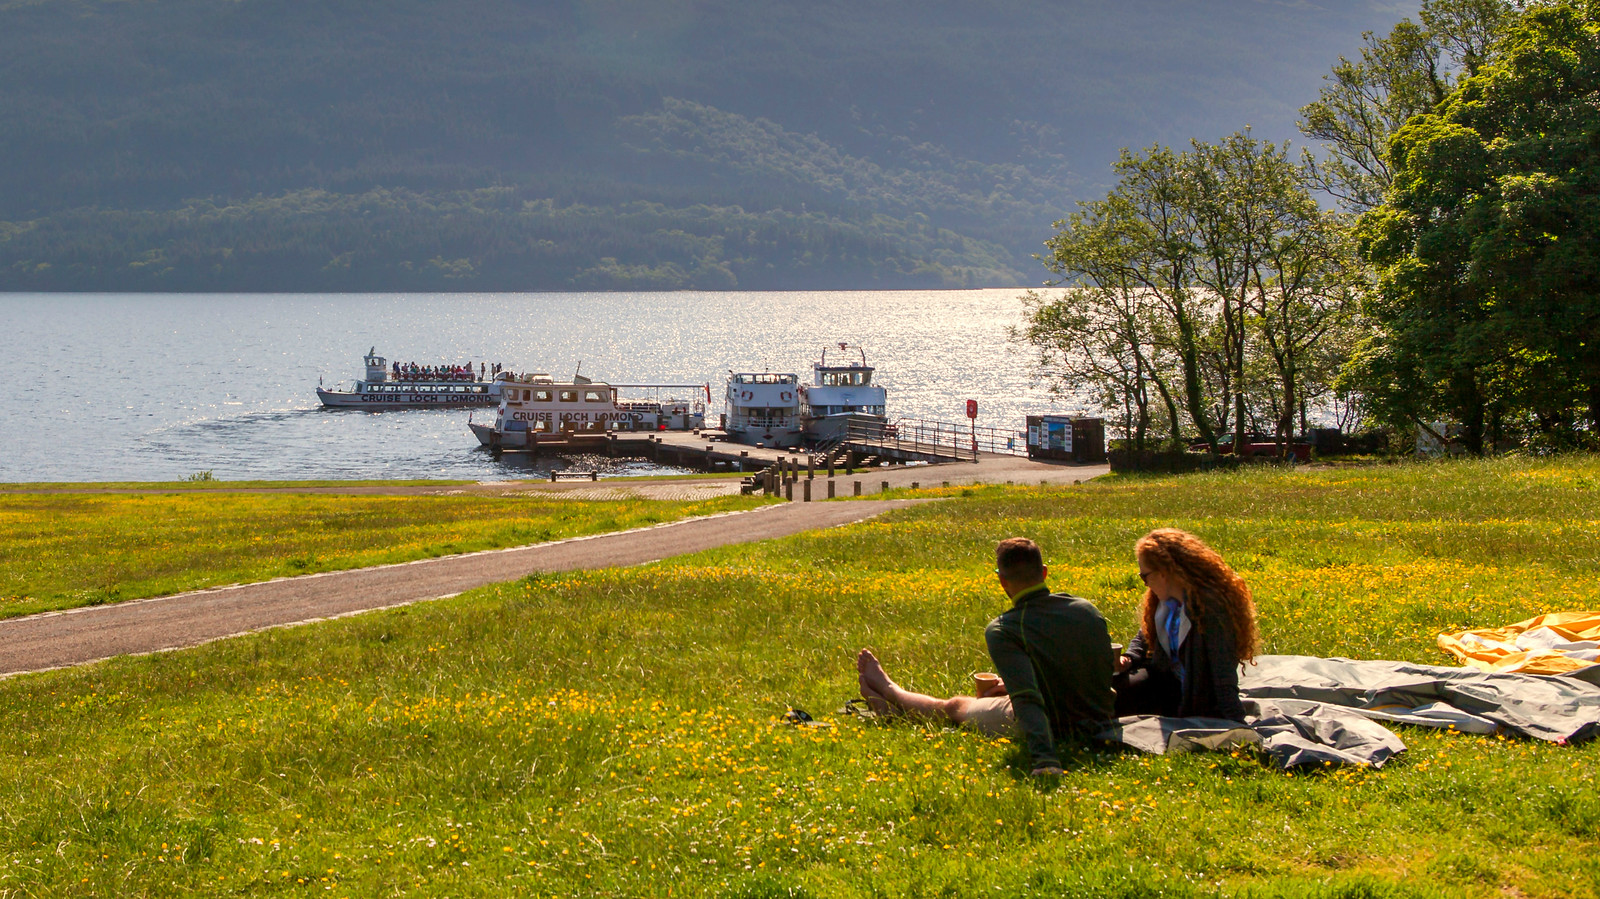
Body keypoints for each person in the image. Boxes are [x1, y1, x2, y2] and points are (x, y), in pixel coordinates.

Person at [856, 537, 1117, 776]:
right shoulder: (1086, 609)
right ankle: (892, 710)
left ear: (1002, 580)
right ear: (1045, 572)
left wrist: (1045, 760)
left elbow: (1027, 697)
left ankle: (891, 692)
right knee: (995, 694)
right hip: (1096, 718)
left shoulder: (1004, 629)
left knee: (955, 706)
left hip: (1051, 725)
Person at [1113, 528, 1258, 722]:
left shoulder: (1211, 607)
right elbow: (1144, 637)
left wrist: (1237, 724)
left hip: (1195, 695)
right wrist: (1129, 658)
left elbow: (1223, 672)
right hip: (1163, 682)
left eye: (1144, 576)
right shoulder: (1162, 601)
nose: (1145, 584)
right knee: (1112, 691)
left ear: (1164, 573)